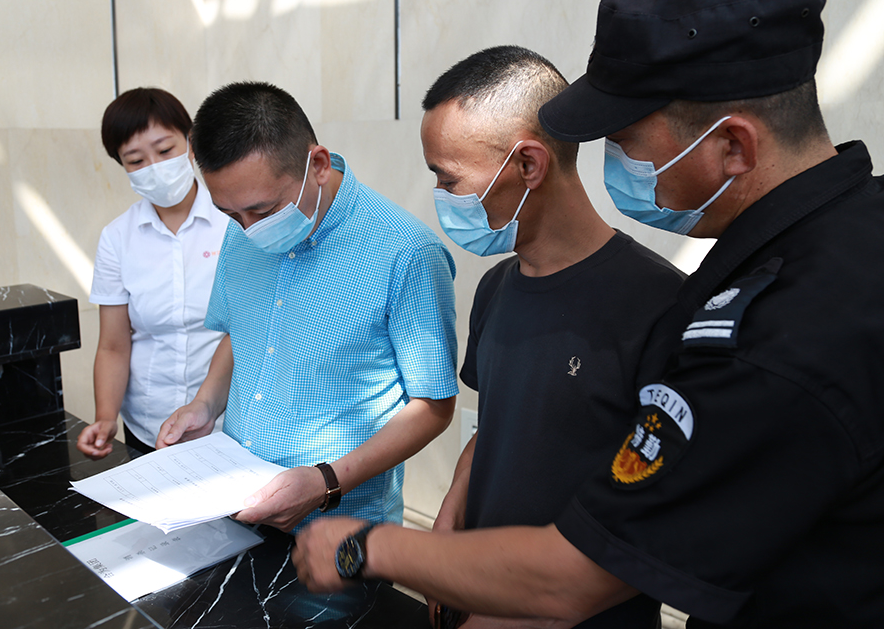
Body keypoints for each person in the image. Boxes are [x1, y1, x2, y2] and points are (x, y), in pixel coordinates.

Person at [293, 0, 884, 629]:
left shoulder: (773, 329)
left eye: (626, 141)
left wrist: (369, 548)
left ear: (733, 147)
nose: (614, 161)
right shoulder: (838, 242)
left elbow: (584, 573)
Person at [420, 45, 683, 629]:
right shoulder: (495, 288)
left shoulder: (659, 306)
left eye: (448, 179)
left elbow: (655, 522)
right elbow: (495, 429)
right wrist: (447, 529)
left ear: (529, 165)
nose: (442, 197)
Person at [156, 81, 459, 533]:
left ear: (317, 164)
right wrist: (205, 404)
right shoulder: (242, 228)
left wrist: (325, 482)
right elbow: (243, 335)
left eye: (264, 211)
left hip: (341, 527)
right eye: (231, 214)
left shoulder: (406, 253)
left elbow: (433, 406)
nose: (248, 228)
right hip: (235, 505)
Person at [76, 88, 229, 458]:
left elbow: (247, 328)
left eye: (164, 150)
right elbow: (114, 345)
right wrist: (105, 417)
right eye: (136, 160)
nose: (155, 167)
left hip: (228, 421)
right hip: (149, 425)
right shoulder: (117, 238)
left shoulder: (234, 221)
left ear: (190, 142)